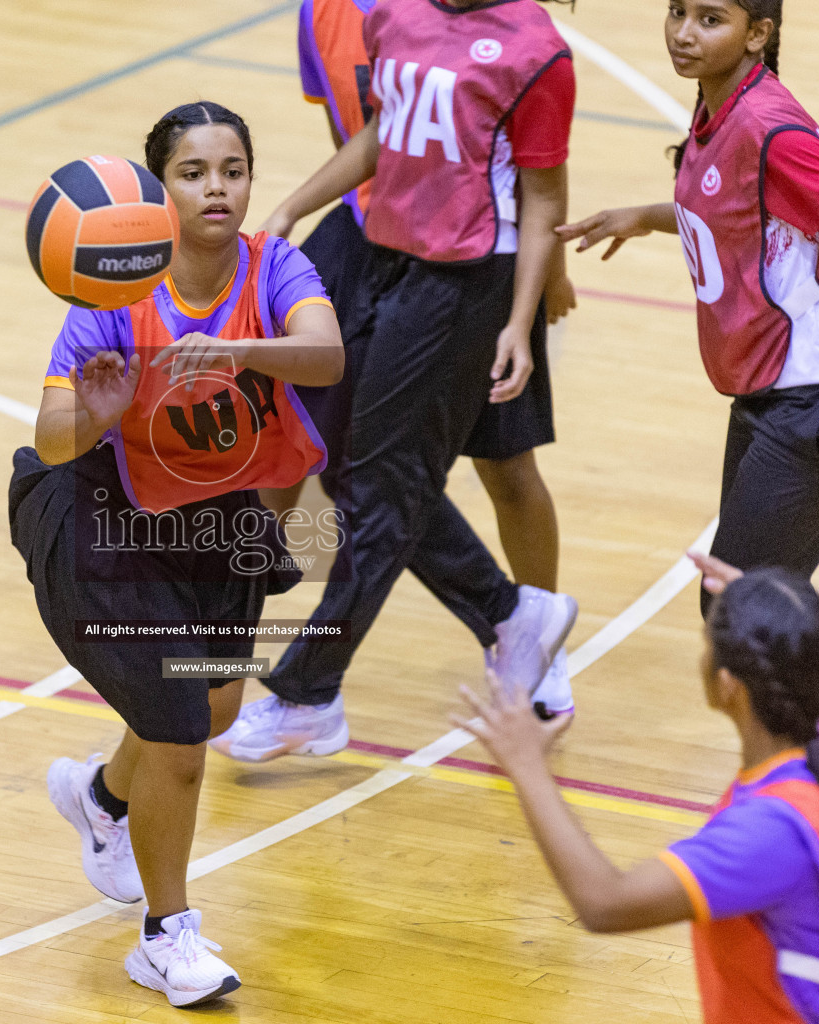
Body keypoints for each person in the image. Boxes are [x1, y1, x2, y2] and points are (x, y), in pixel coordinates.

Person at [555, 0, 819, 827]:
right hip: (775, 393)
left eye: (710, 19)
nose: (684, 33)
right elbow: (723, 203)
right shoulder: (718, 108)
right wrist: (644, 217)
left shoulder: (771, 126)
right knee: (754, 595)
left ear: (759, 34)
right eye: (677, 12)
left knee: (735, 600)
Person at [9, 101, 344, 1006]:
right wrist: (102, 413)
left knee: (218, 706)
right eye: (194, 173)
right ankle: (168, 938)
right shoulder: (111, 297)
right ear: (158, 191)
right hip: (108, 520)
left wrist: (237, 347)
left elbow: (325, 355)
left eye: (232, 171)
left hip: (219, 514)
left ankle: (105, 799)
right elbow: (49, 440)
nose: (217, 189)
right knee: (183, 736)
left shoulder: (274, 267)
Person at [212, 0, 581, 764]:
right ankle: (509, 616)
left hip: (468, 283)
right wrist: (292, 205)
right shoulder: (401, 18)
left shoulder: (536, 49)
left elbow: (542, 196)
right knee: (343, 461)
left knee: (385, 490)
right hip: (388, 260)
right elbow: (384, 134)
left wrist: (519, 323)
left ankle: (308, 693)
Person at [456, 562, 819, 1024]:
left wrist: (527, 765)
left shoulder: (769, 834)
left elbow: (604, 902)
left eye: (708, 648)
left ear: (728, 687)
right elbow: (802, 658)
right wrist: (762, 603)